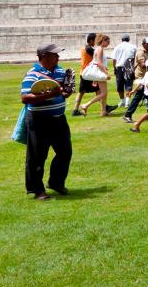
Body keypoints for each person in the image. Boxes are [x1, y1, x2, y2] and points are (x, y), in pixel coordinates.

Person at [20, 43, 74, 199]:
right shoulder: (33, 74)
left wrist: (67, 91)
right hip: (38, 120)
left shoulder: (60, 71)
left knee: (65, 152)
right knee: (37, 156)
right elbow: (25, 98)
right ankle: (37, 190)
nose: (58, 57)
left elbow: (63, 92)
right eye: (54, 54)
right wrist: (52, 94)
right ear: (44, 56)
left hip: (58, 119)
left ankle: (56, 182)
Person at [79, 34, 118, 116]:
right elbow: (99, 63)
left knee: (104, 93)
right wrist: (106, 73)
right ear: (103, 41)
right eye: (108, 41)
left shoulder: (98, 49)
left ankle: (103, 111)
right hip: (100, 72)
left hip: (99, 72)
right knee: (104, 93)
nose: (109, 43)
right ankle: (86, 105)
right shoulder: (100, 49)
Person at [124, 37, 148, 123]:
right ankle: (128, 115)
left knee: (147, 96)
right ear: (143, 44)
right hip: (140, 77)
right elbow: (143, 65)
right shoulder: (140, 53)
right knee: (140, 96)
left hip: (146, 77)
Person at [71, 32, 96, 116]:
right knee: (99, 91)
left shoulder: (84, 48)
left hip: (84, 72)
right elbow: (97, 56)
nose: (96, 42)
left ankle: (75, 110)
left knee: (81, 92)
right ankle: (104, 107)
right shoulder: (89, 49)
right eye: (95, 40)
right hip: (88, 73)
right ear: (91, 40)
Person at [111, 34, 138, 109]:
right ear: (128, 39)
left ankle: (122, 100)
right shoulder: (133, 47)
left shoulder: (117, 47)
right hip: (129, 67)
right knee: (128, 85)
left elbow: (114, 59)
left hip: (119, 67)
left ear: (122, 39)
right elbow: (135, 59)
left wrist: (114, 68)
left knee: (120, 85)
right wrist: (134, 67)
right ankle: (127, 102)